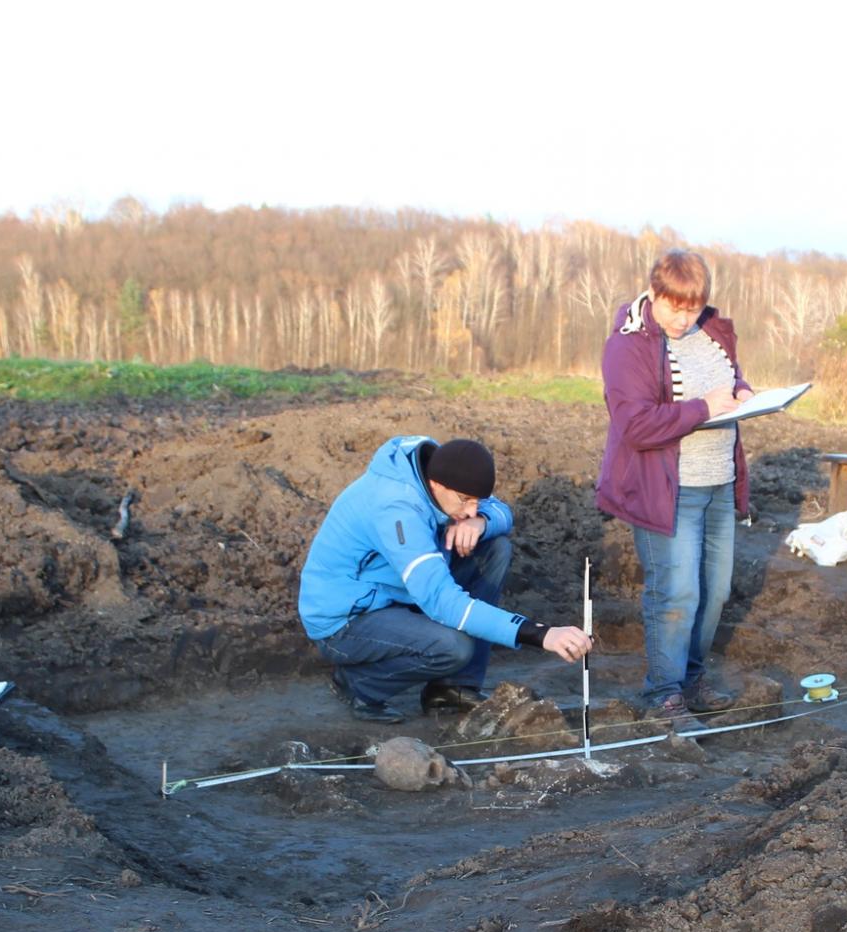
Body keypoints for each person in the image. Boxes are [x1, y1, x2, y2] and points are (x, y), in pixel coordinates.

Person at [299, 435, 593, 724]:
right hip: (346, 620)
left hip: (397, 592)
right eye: (466, 501)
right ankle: (358, 684)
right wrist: (540, 634)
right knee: (453, 647)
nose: (471, 510)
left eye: (477, 501)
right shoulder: (396, 510)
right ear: (437, 485)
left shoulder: (438, 468)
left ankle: (452, 688)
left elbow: (502, 511)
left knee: (495, 548)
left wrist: (482, 522)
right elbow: (442, 602)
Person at [596, 249, 754, 733]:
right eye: (675, 307)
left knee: (715, 593)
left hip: (718, 483)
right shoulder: (628, 346)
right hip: (669, 490)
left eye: (693, 308)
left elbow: (725, 378)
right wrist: (703, 408)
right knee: (676, 594)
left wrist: (744, 390)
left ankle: (690, 680)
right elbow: (636, 425)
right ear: (653, 293)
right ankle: (663, 695)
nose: (684, 319)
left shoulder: (711, 332)